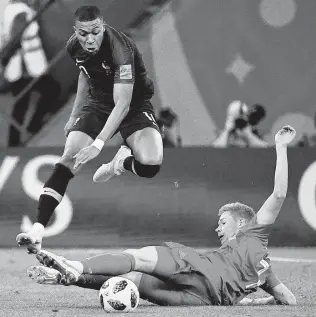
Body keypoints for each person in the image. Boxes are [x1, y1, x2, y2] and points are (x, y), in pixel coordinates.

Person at [27, 126, 297, 306]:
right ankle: (74, 278)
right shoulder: (266, 273)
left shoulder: (254, 233)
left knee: (139, 258)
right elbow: (289, 300)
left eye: (223, 223)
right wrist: (263, 300)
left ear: (242, 223)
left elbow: (279, 194)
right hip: (202, 300)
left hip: (200, 269)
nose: (218, 230)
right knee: (131, 283)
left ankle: (76, 266)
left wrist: (281, 147)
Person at [16, 5, 163, 252]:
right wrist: (74, 115)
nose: (89, 39)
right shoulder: (74, 46)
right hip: (98, 103)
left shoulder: (120, 49)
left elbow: (123, 104)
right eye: (83, 33)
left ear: (102, 26)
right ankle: (38, 230)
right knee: (69, 157)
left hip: (133, 104)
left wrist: (98, 144)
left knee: (151, 164)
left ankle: (121, 163)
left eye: (95, 31)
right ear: (76, 31)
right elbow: (85, 74)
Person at [0, 0, 61, 146]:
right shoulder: (21, 12)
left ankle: (21, 136)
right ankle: (29, 129)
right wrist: (4, 60)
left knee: (22, 104)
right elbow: (16, 37)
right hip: (25, 67)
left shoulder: (13, 9)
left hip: (26, 66)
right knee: (51, 91)